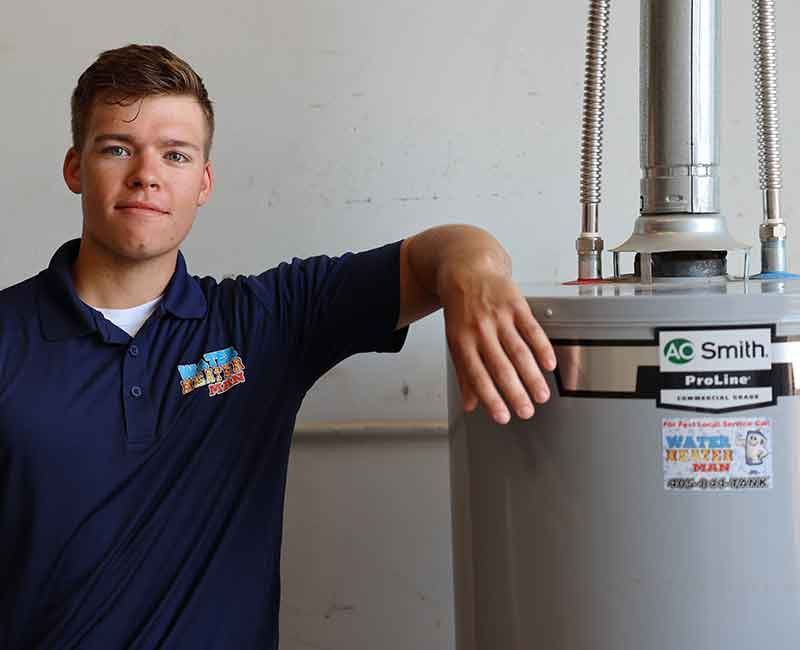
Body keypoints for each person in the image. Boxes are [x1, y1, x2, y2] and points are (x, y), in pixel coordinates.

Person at [0, 44, 555, 648]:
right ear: (75, 168)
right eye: (117, 148)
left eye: (176, 154)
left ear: (203, 181)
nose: (147, 174)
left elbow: (440, 251)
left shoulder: (264, 322)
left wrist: (478, 277)